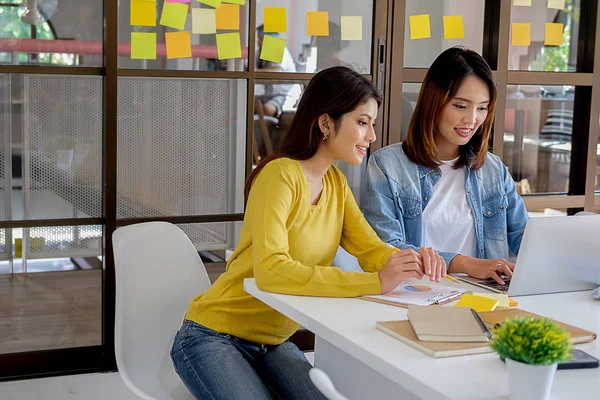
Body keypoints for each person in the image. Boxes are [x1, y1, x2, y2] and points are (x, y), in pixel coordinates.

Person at [171, 66, 432, 400]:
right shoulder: (280, 176)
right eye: (363, 122)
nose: (372, 137)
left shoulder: (336, 184)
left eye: (373, 124)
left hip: (272, 342)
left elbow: (371, 249)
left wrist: (408, 262)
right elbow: (272, 272)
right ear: (326, 123)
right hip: (213, 335)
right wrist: (376, 282)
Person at [364, 46, 529, 286]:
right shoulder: (387, 166)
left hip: (487, 299)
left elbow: (525, 239)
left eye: (482, 107)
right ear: (434, 101)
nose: (472, 119)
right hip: (415, 295)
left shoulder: (493, 170)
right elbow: (387, 248)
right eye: (460, 106)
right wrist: (464, 263)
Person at [255, 24, 297, 118]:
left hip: (284, 94)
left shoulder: (277, 48)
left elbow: (276, 71)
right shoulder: (259, 53)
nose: (258, 42)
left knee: (267, 109)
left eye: (261, 39)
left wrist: (254, 71)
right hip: (267, 94)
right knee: (246, 104)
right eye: (258, 38)